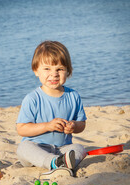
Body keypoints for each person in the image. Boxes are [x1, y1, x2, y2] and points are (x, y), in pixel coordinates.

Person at [16, 40, 87, 174]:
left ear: (68, 71)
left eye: (59, 69)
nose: (54, 74)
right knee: (23, 148)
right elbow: (21, 129)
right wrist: (47, 126)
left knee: (80, 148)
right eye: (47, 68)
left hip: (62, 148)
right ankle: (54, 162)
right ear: (36, 71)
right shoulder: (33, 99)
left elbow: (82, 124)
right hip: (37, 147)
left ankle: (61, 162)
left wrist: (73, 126)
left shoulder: (73, 96)